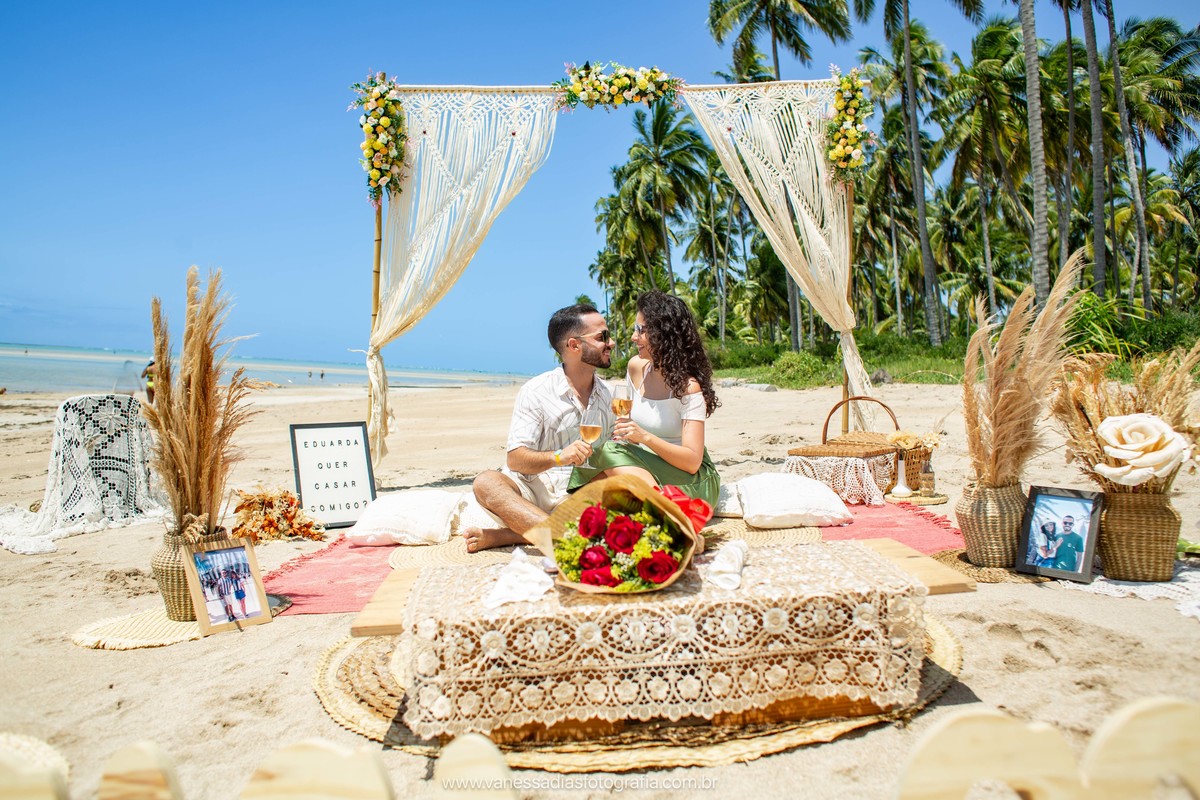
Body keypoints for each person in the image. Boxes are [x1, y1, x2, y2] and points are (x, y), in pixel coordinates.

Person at [464, 303, 615, 553]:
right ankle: (563, 541)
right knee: (486, 482)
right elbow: (516, 460)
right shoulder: (536, 391)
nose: (610, 343)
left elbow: (612, 455)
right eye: (602, 337)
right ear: (574, 345)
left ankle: (514, 534)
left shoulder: (609, 396)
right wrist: (559, 456)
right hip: (531, 489)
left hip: (577, 493)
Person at [568, 290, 720, 506]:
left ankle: (663, 511)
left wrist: (644, 437)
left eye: (641, 330)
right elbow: (626, 429)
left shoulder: (689, 387)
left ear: (664, 334)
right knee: (591, 468)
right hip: (646, 470)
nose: (633, 337)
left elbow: (692, 462)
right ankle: (649, 507)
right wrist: (626, 437)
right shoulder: (635, 367)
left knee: (608, 453)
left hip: (692, 480)